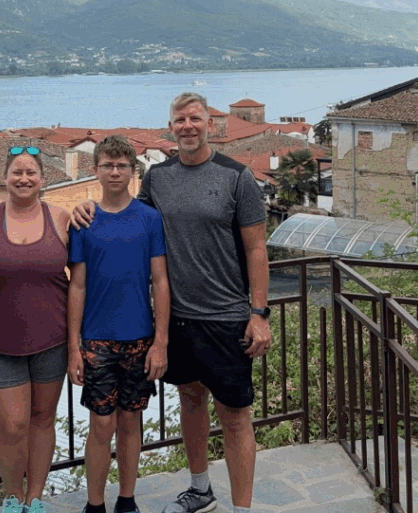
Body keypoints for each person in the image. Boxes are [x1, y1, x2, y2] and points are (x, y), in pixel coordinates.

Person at [73, 93, 271, 513]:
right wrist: (85, 205)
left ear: (209, 125)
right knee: (190, 401)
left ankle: (242, 508)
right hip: (178, 317)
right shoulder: (158, 178)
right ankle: (200, 490)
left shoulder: (237, 177)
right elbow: (125, 216)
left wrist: (259, 314)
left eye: (195, 119)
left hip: (227, 316)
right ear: (171, 127)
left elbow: (257, 249)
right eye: (179, 120)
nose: (187, 126)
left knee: (235, 415)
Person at [67, 135, 170, 513]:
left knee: (130, 423)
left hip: (140, 339)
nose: (114, 172)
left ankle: (127, 499)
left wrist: (161, 343)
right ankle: (94, 504)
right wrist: (73, 347)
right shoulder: (84, 221)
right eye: (107, 165)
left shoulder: (149, 219)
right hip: (97, 341)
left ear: (132, 171)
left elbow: (160, 281)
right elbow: (77, 285)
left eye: (121, 165)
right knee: (101, 425)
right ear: (96, 170)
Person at [0, 145, 72, 513]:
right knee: (13, 426)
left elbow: (80, 277)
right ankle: (12, 497)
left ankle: (35, 498)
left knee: (43, 419)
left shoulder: (61, 218)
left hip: (53, 339)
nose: (24, 178)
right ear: (4, 178)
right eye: (17, 172)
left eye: (31, 172)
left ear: (43, 179)